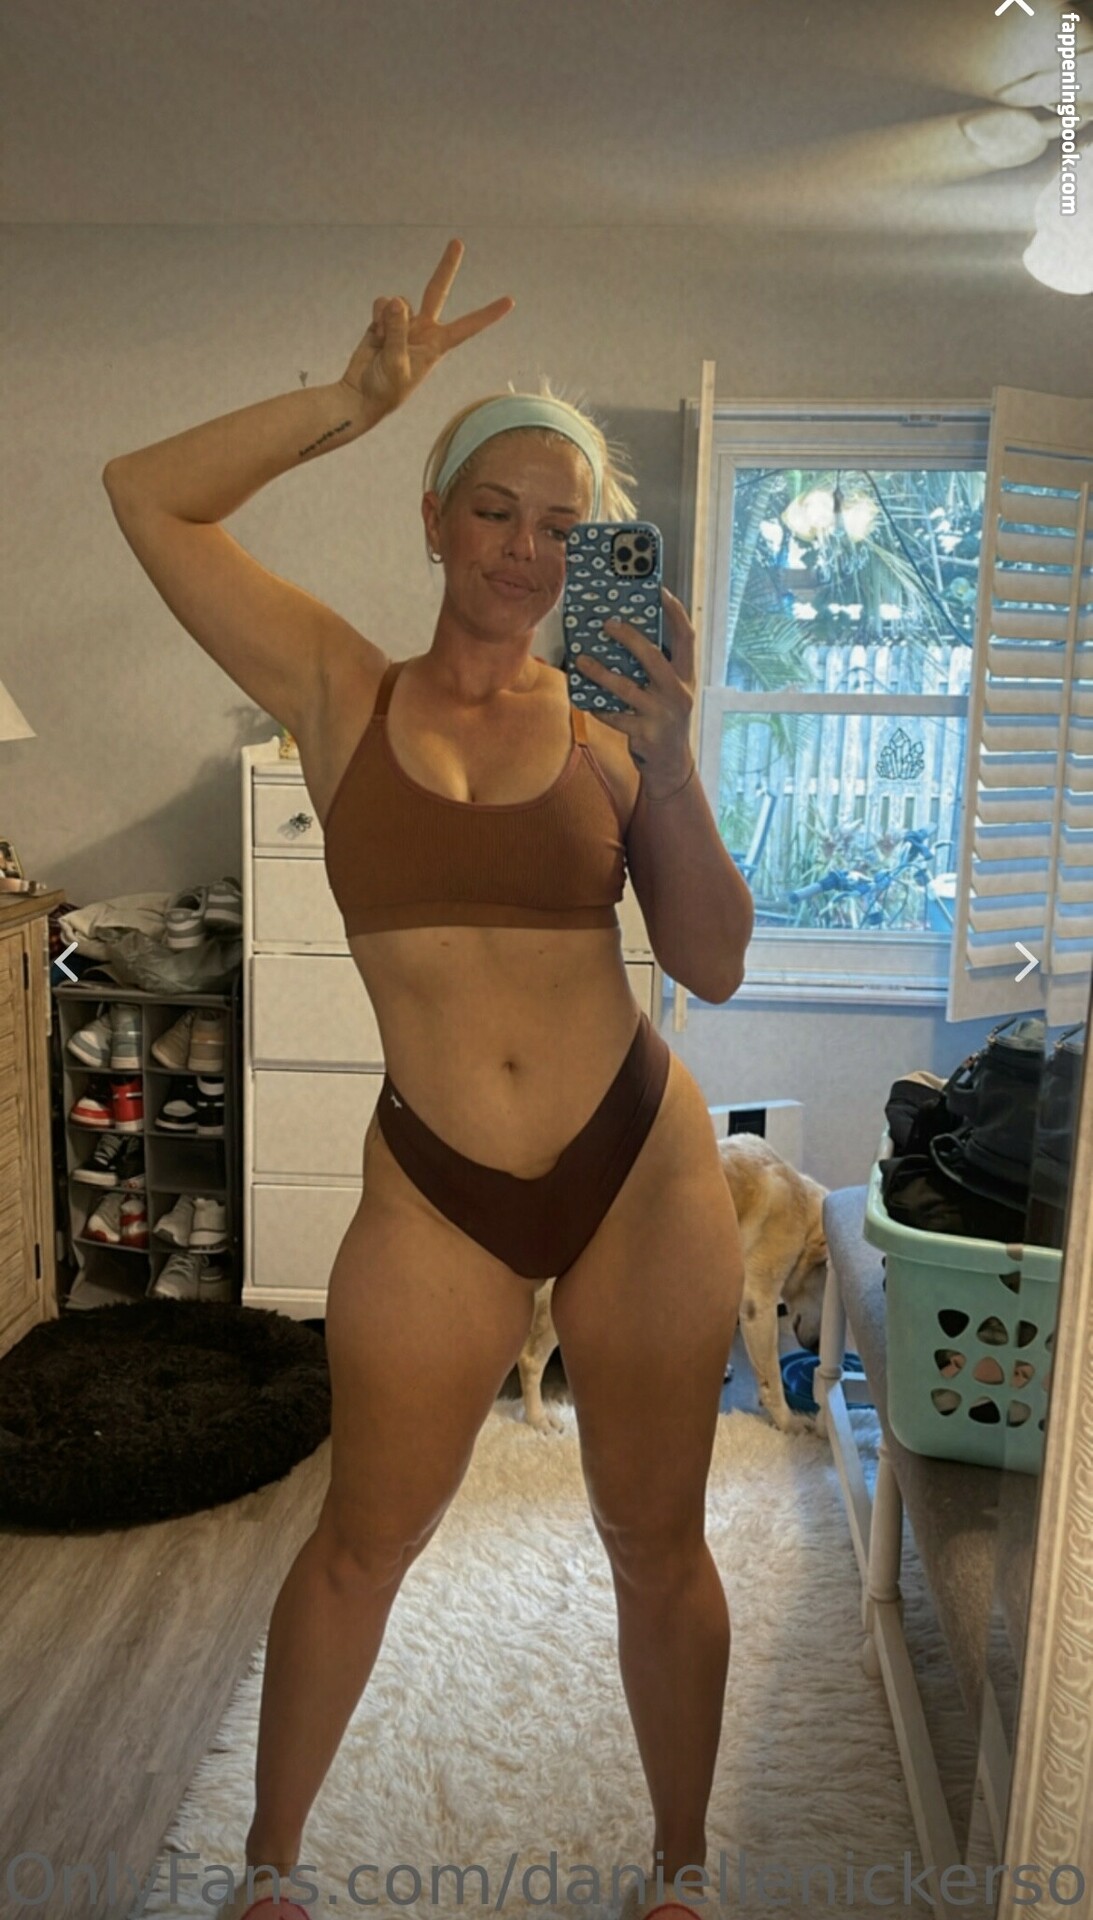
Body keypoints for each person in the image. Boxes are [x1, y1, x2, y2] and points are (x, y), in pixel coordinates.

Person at [103, 239, 750, 1920]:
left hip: (636, 1167)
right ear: (434, 519)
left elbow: (711, 961)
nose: (527, 551)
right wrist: (351, 396)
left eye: (564, 527)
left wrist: (676, 769)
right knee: (362, 1540)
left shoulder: (615, 718)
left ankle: (681, 1875)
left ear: (593, 554)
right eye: (494, 511)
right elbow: (145, 496)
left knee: (653, 1537)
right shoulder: (339, 689)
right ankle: (268, 1871)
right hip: (437, 1184)